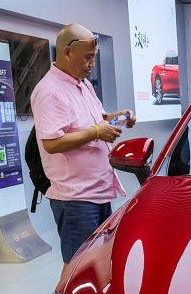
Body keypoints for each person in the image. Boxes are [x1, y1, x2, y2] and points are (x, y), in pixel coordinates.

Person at [30, 23, 136, 262]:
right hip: (76, 198)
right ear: (68, 53)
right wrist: (96, 132)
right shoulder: (49, 91)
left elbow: (94, 119)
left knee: (98, 262)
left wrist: (117, 116)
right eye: (88, 58)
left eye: (94, 58)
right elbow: (52, 143)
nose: (92, 65)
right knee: (78, 266)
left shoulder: (84, 85)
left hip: (99, 191)